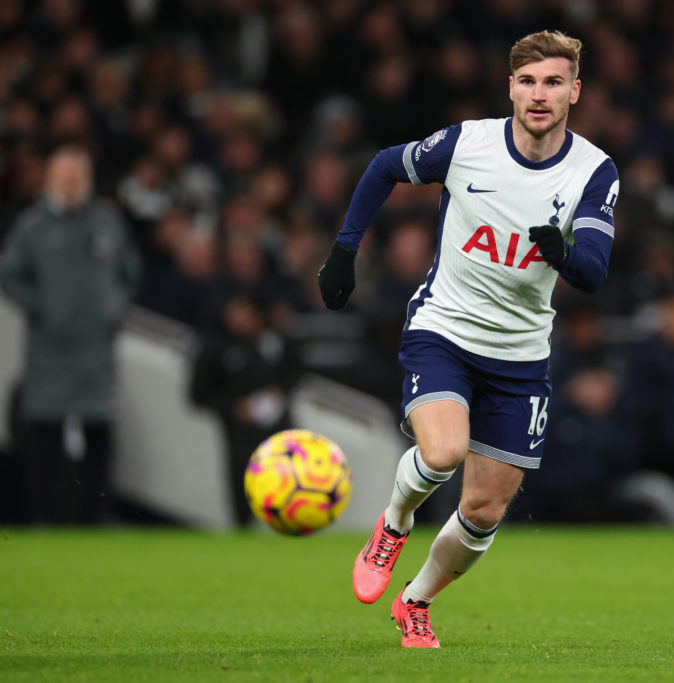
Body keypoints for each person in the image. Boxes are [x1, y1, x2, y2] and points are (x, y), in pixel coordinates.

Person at [317, 31, 618, 648]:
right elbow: (381, 167)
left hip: (521, 355)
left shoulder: (594, 169)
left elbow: (594, 270)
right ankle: (394, 523)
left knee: (483, 512)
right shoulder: (467, 144)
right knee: (445, 452)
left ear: (574, 92)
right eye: (528, 82)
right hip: (444, 331)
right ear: (511, 87)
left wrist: (564, 253)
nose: (540, 95)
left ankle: (415, 601)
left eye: (554, 82)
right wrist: (345, 252)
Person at [0, 146, 141, 523]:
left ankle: (99, 514)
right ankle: (42, 515)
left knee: (99, 433)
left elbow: (131, 271)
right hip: (50, 351)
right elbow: (8, 274)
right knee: (46, 435)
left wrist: (114, 307)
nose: (72, 182)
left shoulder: (107, 222)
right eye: (65, 175)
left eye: (78, 175)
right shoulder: (33, 226)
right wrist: (40, 306)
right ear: (50, 179)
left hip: (96, 351)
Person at [188, 288, 304, 526]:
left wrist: (279, 392)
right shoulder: (215, 348)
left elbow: (297, 370)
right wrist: (233, 407)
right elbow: (198, 394)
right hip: (239, 433)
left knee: (290, 484)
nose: (240, 317)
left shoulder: (276, 341)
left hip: (278, 428)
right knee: (244, 487)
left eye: (246, 311)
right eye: (234, 310)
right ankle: (243, 528)